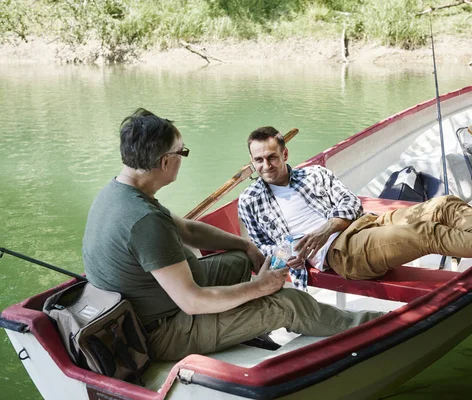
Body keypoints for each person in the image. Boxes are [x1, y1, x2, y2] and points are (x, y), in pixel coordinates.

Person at [82, 109, 383, 362]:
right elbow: (193, 302)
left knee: (240, 260)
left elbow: (187, 229)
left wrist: (246, 244)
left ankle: (251, 328)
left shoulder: (120, 193)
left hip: (155, 306)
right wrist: (260, 289)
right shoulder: (144, 221)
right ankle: (377, 326)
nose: (183, 158)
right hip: (164, 331)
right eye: (182, 152)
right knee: (289, 303)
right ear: (164, 162)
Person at [238, 126, 472, 286]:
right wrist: (291, 256)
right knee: (424, 232)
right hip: (340, 255)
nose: (266, 165)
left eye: (272, 157)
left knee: (443, 205)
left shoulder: (313, 175)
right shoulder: (250, 201)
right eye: (258, 160)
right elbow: (263, 248)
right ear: (251, 162)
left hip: (363, 225)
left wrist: (326, 225)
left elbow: (348, 203)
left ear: (285, 154)